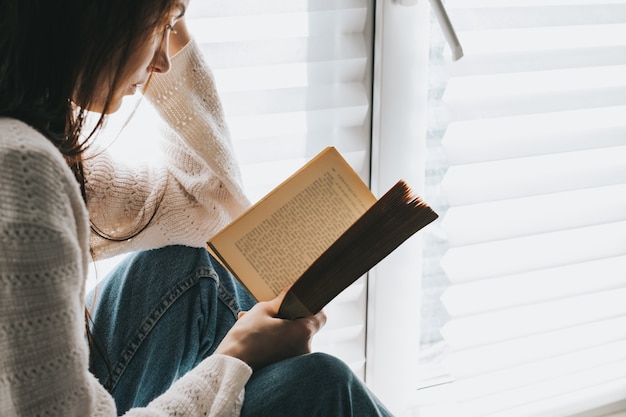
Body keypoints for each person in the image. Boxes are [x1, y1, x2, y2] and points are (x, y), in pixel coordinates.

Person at [0, 0, 395, 416]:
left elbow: (205, 205)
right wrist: (237, 355)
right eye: (160, 26)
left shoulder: (38, 149)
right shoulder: (22, 170)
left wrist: (159, 20)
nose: (164, 63)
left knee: (193, 266)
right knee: (320, 383)